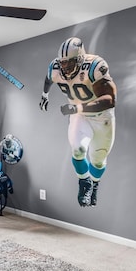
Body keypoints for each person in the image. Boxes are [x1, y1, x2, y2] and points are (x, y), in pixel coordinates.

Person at [39, 37, 116, 207]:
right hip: (79, 114)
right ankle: (84, 182)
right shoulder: (55, 67)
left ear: (80, 59)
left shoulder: (95, 66)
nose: (65, 67)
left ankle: (95, 184)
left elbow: (109, 99)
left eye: (70, 62)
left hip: (101, 116)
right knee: (78, 149)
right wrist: (45, 95)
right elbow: (48, 79)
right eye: (63, 63)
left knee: (98, 160)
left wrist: (77, 108)